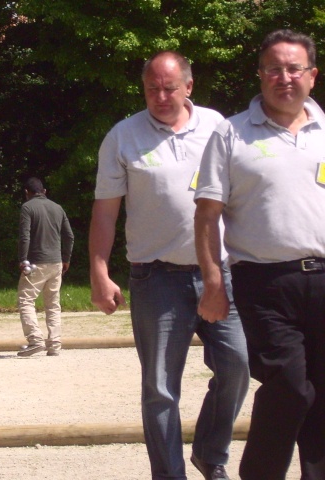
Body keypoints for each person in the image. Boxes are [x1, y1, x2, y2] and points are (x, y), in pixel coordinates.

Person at [89, 50, 250, 480]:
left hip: (219, 273)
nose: (160, 96)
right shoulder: (122, 137)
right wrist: (99, 272)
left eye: (169, 87)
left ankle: (210, 453)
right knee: (160, 388)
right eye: (152, 88)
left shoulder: (220, 128)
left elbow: (245, 195)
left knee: (237, 367)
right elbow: (106, 212)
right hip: (155, 277)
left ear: (189, 87)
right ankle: (170, 475)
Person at [194, 29, 325, 480]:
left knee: (322, 393)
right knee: (289, 388)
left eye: (294, 68)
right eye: (273, 68)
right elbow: (207, 215)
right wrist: (213, 281)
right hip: (265, 283)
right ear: (260, 75)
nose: (283, 77)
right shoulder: (230, 133)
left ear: (312, 75)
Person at [16, 177, 74, 357]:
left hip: (35, 262)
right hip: (57, 262)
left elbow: (25, 236)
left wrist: (22, 259)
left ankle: (35, 340)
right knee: (53, 304)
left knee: (26, 300)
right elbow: (69, 236)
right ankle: (55, 344)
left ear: (27, 192)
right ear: (45, 191)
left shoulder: (27, 207)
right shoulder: (57, 208)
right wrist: (66, 258)